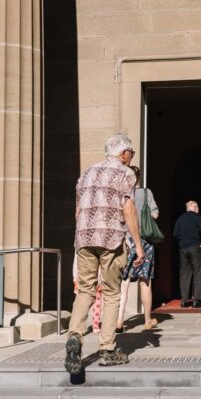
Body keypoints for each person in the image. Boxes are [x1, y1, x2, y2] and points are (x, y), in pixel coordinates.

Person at [65, 133, 146, 373]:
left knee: (85, 290)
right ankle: (108, 349)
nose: (132, 156)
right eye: (131, 152)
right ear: (123, 154)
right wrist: (138, 245)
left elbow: (78, 210)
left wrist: (80, 237)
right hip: (111, 238)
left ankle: (75, 337)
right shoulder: (126, 173)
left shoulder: (87, 172)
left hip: (84, 237)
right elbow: (128, 208)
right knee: (112, 293)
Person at [117, 165, 160, 331]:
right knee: (145, 281)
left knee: (124, 282)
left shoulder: (120, 193)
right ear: (138, 178)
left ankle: (119, 320)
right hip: (144, 241)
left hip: (125, 239)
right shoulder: (145, 192)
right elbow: (155, 214)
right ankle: (147, 320)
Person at [173, 201, 201, 308]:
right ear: (193, 207)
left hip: (183, 248)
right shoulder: (198, 217)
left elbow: (175, 234)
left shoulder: (180, 219)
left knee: (184, 274)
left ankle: (184, 301)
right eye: (197, 206)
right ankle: (197, 300)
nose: (198, 208)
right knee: (198, 272)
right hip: (196, 246)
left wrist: (182, 242)